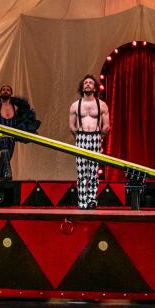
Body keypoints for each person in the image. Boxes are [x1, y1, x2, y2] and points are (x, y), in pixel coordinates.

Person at [68, 75, 110, 209]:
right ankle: (82, 201)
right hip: (81, 137)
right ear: (82, 86)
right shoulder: (75, 105)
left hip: (96, 137)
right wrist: (80, 136)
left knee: (93, 171)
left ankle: (92, 200)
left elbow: (106, 126)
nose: (87, 84)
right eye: (85, 82)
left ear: (95, 87)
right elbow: (72, 126)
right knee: (81, 172)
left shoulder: (102, 105)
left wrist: (98, 137)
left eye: (90, 83)